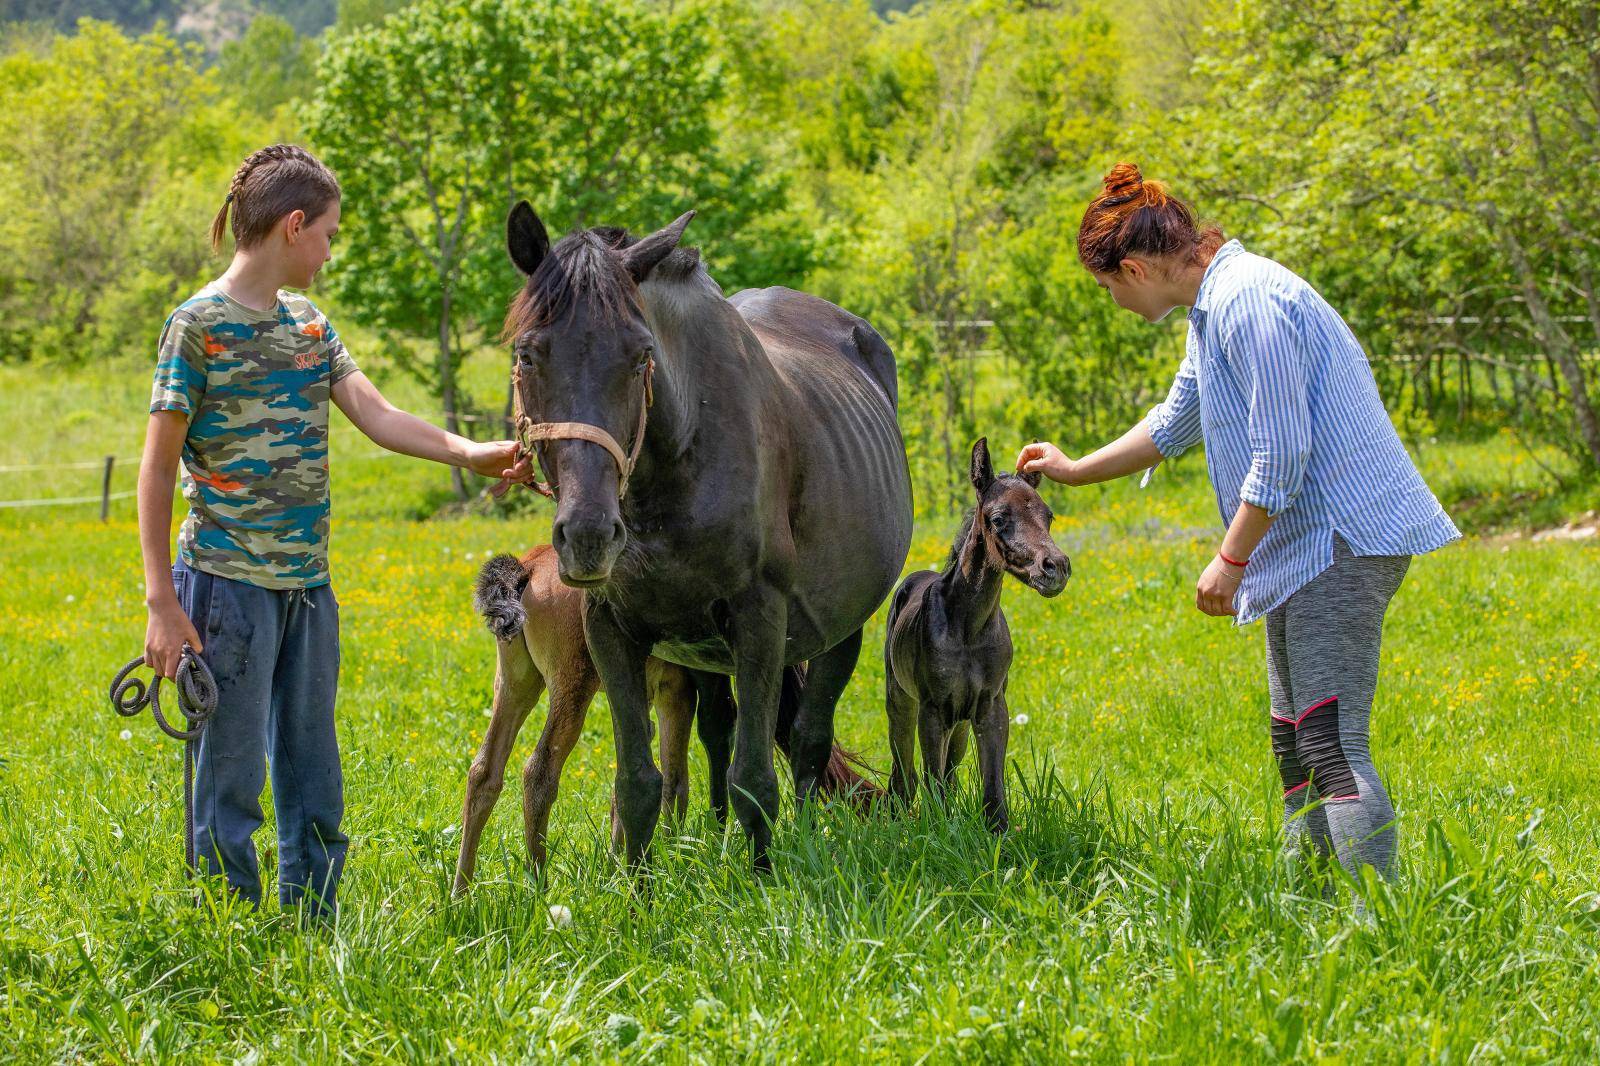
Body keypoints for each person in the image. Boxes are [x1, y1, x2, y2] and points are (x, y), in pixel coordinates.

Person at [1017, 163, 1459, 883]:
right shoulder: (1213, 305)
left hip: (1342, 539)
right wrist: (1073, 468)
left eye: (1108, 289)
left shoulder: (1250, 300)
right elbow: (1176, 420)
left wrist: (1231, 559)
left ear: (1133, 268)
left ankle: (1378, 923)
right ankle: (1305, 895)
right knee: (1294, 737)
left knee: (1331, 740)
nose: (1113, 303)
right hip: (1308, 541)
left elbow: (1282, 452)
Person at [138, 144, 531, 919]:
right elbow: (156, 471)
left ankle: (314, 922)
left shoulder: (310, 324)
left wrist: (470, 453)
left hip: (308, 591)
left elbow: (376, 413)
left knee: (314, 772)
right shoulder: (197, 327)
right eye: (329, 233)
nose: (330, 248)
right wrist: (161, 602)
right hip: (225, 587)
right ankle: (232, 936)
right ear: (293, 226)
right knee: (230, 777)